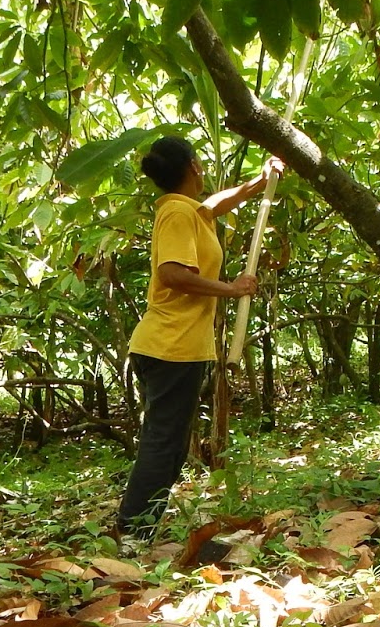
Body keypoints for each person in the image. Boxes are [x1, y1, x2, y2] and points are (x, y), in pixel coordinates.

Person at [115, 136, 283, 542]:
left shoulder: (189, 211)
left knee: (171, 446)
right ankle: (132, 532)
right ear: (194, 167)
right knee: (163, 443)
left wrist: (259, 183)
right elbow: (172, 274)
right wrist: (233, 289)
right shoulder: (176, 214)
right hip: (169, 346)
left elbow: (213, 206)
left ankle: (141, 530)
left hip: (180, 348)